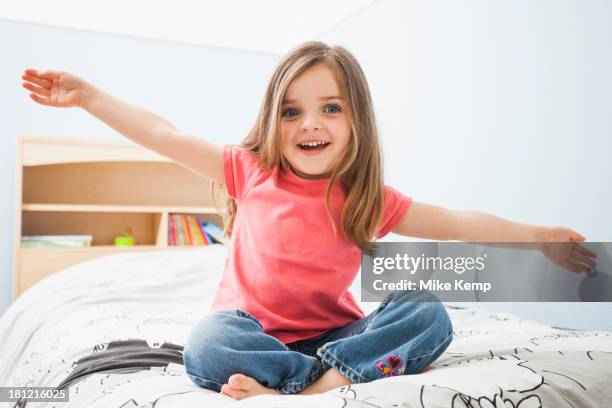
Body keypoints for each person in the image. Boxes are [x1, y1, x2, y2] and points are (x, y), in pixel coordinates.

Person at [22, 41, 597, 401]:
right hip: (255, 337)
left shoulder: (364, 198)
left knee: (424, 306)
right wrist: (90, 97)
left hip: (335, 336)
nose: (309, 124)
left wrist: (537, 235)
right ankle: (316, 378)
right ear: (273, 120)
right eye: (292, 111)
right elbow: (163, 135)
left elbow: (452, 220)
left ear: (355, 123)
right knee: (206, 343)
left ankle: (318, 380)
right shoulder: (248, 171)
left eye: (330, 108)